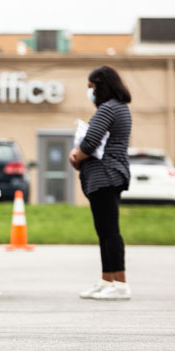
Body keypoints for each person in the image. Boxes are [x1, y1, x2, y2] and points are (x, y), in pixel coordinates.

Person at [71, 65, 133, 300]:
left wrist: (75, 155)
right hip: (111, 175)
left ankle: (120, 285)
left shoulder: (108, 109)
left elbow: (89, 143)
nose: (90, 93)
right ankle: (107, 279)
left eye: (91, 87)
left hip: (105, 175)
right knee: (104, 230)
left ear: (101, 86)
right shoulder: (121, 108)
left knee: (110, 231)